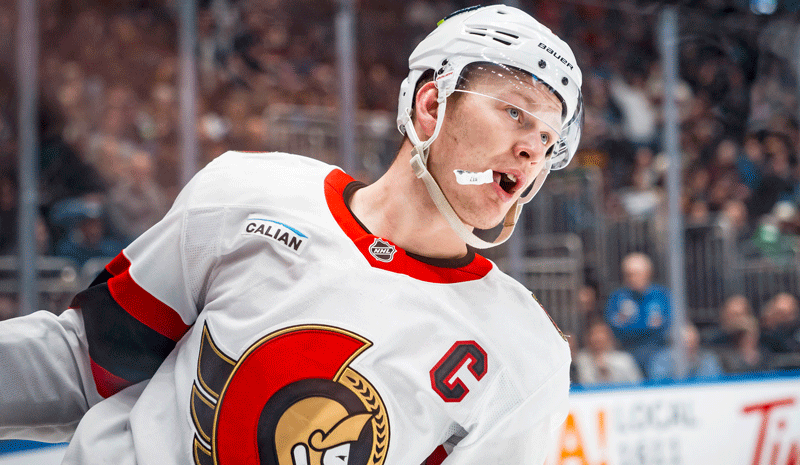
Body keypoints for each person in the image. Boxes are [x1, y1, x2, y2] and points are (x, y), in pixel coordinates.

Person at [0, 5, 584, 465]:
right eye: (516, 113)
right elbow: (84, 363)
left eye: (548, 137)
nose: (533, 148)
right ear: (431, 104)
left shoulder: (524, 359)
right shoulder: (251, 191)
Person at [604, 252, 671, 373]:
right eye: (628, 275)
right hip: (625, 349)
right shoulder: (617, 297)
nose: (632, 278)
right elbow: (614, 327)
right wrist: (648, 326)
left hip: (659, 349)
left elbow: (668, 324)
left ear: (648, 273)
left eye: (636, 274)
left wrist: (631, 324)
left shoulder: (662, 295)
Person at [574, 320, 642, 386]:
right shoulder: (581, 359)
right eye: (594, 335)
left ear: (609, 338)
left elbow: (637, 384)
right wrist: (598, 372)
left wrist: (608, 370)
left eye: (601, 335)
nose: (597, 338)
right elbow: (584, 385)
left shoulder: (624, 359)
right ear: (588, 338)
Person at [648, 323, 722, 382]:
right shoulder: (661, 359)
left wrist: (692, 362)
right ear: (675, 341)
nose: (689, 346)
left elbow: (714, 382)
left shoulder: (708, 358)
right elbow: (659, 384)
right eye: (685, 342)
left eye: (692, 342)